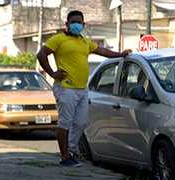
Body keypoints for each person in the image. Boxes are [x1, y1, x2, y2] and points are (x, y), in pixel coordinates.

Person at [37, 10, 132, 168]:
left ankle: (72, 152)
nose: (76, 25)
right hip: (65, 88)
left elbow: (102, 51)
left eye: (79, 22)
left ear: (83, 24)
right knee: (65, 123)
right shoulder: (59, 39)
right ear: (67, 24)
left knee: (80, 123)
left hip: (82, 89)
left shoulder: (84, 41)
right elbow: (41, 54)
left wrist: (121, 54)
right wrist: (52, 73)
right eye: (73, 22)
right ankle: (64, 157)